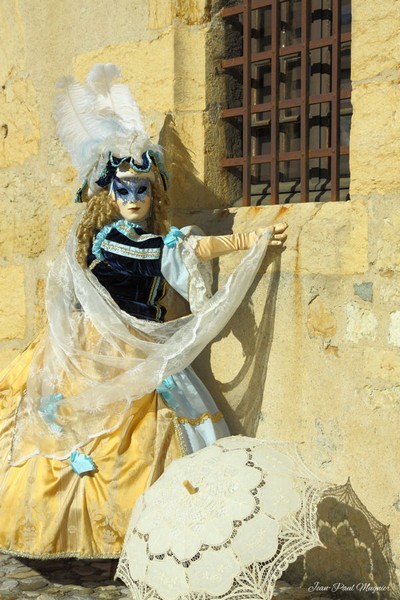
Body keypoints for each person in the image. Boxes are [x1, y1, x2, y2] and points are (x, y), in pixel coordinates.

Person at [0, 64, 286, 559]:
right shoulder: (96, 240)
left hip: (144, 354)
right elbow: (68, 292)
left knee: (152, 437)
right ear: (109, 194)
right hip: (91, 354)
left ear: (155, 193)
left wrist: (249, 240)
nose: (133, 199)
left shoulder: (164, 243)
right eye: (124, 190)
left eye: (142, 189)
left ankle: (151, 539)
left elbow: (195, 251)